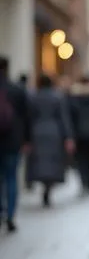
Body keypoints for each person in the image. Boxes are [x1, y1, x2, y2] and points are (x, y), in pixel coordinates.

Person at [26, 74, 75, 207]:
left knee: (40, 162)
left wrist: (26, 138)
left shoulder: (33, 97)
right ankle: (49, 186)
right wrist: (68, 137)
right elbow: (64, 118)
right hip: (54, 133)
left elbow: (29, 118)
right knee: (53, 162)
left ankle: (44, 185)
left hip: (37, 132)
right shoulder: (57, 97)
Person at [0, 57, 31, 231]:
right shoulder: (17, 90)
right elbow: (26, 118)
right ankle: (10, 215)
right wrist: (26, 139)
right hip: (12, 142)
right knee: (11, 178)